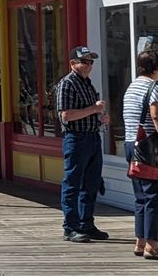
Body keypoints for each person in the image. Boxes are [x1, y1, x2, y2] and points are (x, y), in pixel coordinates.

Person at [56, 46, 108, 243]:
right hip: (76, 138)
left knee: (91, 183)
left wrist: (100, 118)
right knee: (73, 183)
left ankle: (87, 223)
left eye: (90, 62)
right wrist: (93, 109)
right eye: (84, 61)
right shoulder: (67, 84)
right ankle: (70, 227)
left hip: (92, 136)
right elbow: (66, 115)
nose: (88, 65)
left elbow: (89, 112)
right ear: (72, 64)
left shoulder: (87, 84)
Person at [124, 50, 158, 260]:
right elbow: (157, 116)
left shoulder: (132, 87)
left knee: (141, 197)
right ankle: (153, 245)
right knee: (155, 196)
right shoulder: (156, 87)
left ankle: (140, 241)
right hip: (152, 148)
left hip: (131, 144)